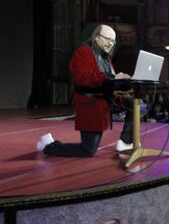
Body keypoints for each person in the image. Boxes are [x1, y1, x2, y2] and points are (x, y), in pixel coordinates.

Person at [36, 24, 134, 157]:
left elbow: (109, 82)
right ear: (96, 38)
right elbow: (83, 77)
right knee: (87, 150)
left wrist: (124, 83)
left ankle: (125, 141)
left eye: (113, 41)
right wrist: (114, 77)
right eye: (108, 39)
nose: (111, 43)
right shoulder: (83, 52)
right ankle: (49, 146)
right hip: (90, 104)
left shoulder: (106, 59)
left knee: (135, 103)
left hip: (105, 101)